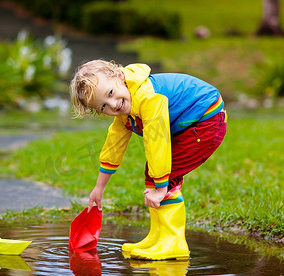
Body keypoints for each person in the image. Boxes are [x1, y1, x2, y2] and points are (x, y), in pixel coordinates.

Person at [69, 59, 227, 260]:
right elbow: (113, 148)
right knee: (154, 176)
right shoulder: (125, 111)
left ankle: (173, 243)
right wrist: (99, 188)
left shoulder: (146, 97)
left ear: (119, 76)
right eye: (103, 107)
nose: (113, 105)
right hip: (192, 122)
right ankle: (158, 237)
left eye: (110, 93)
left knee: (164, 177)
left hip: (206, 119)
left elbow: (157, 141)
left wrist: (161, 188)